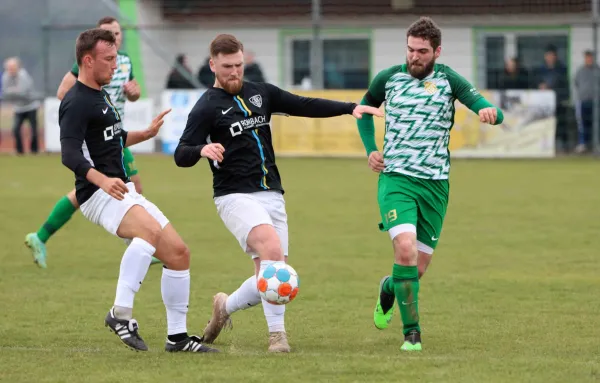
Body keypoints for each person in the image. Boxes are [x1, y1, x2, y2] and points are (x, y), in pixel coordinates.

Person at [174, 34, 383, 353]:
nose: (234, 72)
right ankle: (277, 337)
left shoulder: (261, 93)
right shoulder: (206, 107)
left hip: (272, 192)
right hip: (233, 196)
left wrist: (350, 107)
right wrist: (202, 148)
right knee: (272, 253)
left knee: (271, 274)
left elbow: (304, 104)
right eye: (227, 66)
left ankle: (224, 307)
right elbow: (181, 153)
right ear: (213, 64)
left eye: (239, 65)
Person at [60, 27, 217, 353]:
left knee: (178, 253)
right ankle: (120, 313)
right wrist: (101, 179)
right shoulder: (75, 101)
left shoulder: (100, 95)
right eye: (109, 59)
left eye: (115, 58)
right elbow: (70, 154)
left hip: (122, 190)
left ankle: (177, 338)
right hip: (97, 194)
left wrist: (145, 134)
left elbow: (111, 138)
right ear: (88, 61)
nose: (115, 65)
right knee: (147, 234)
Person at [357, 17, 504, 352]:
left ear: (437, 51)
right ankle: (412, 333)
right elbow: (364, 111)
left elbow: (484, 104)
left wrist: (490, 113)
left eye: (422, 51)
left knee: (416, 269)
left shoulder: (449, 79)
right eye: (410, 49)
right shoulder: (388, 78)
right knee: (405, 249)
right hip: (396, 179)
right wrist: (371, 150)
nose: (414, 57)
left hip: (435, 185)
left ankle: (389, 288)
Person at [24, 16, 160, 268]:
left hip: (113, 131)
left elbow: (134, 92)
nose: (115, 38)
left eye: (118, 33)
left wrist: (133, 93)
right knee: (116, 187)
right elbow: (64, 92)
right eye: (109, 33)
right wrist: (87, 110)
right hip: (99, 135)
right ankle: (138, 243)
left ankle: (40, 236)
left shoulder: (124, 61)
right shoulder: (89, 64)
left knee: (91, 191)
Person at [2, 57, 40, 154]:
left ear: (17, 67)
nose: (10, 70)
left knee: (33, 130)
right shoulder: (5, 76)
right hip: (18, 108)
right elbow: (5, 92)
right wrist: (15, 91)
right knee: (15, 130)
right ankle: (19, 151)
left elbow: (22, 92)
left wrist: (12, 91)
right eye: (8, 68)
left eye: (12, 67)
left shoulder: (24, 76)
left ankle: (34, 151)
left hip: (31, 106)